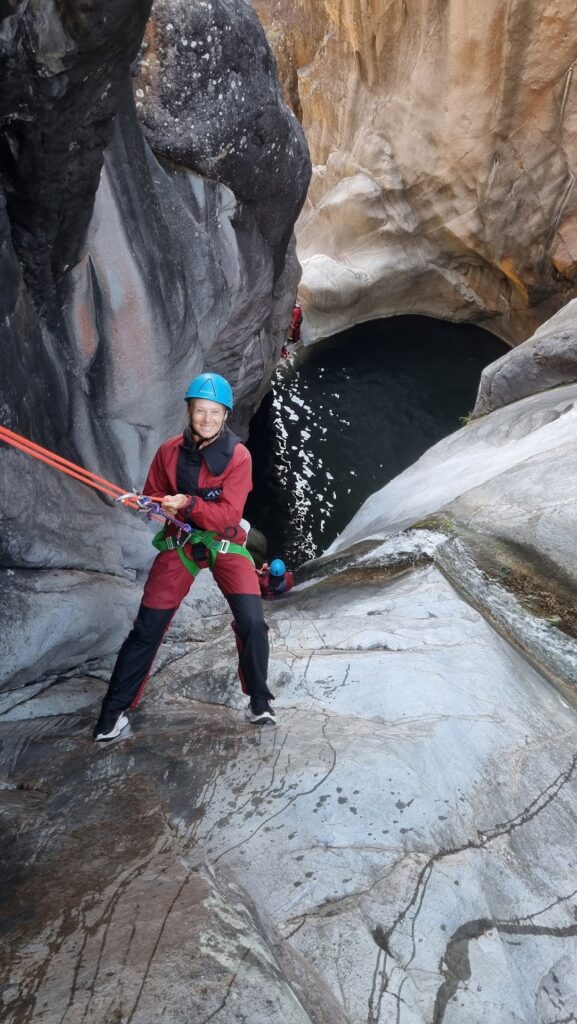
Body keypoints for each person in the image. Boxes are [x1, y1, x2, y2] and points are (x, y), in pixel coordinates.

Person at [93, 372, 276, 740]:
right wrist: (153, 504)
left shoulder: (239, 457)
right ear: (189, 411)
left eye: (214, 412)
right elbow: (154, 493)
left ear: (225, 415)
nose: (207, 419)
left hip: (225, 544)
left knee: (253, 622)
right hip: (182, 543)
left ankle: (259, 701)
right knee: (147, 627)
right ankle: (111, 714)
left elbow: (227, 516)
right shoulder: (169, 451)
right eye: (200, 410)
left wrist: (187, 504)